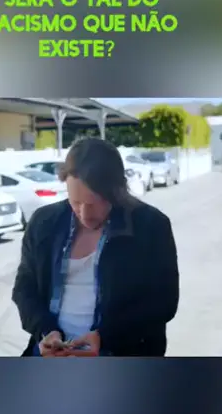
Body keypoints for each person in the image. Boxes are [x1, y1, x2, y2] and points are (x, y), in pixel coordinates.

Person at [12, 137, 179, 357]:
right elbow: (24, 288)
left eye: (93, 204)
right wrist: (45, 331)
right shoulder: (43, 222)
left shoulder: (151, 225)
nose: (84, 214)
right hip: (51, 355)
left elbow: (164, 301)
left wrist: (105, 337)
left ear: (117, 192)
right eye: (75, 202)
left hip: (122, 356)